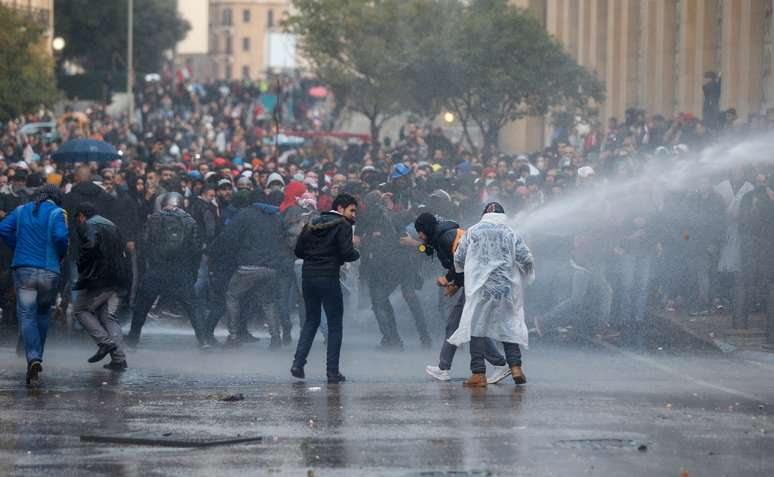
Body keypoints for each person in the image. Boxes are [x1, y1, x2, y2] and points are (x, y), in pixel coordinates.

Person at [414, 212, 511, 384]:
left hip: (478, 282)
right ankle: (443, 368)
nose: (420, 236)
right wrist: (456, 284)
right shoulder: (442, 235)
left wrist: (448, 278)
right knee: (456, 323)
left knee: (470, 326)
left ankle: (500, 364)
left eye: (420, 231)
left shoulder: (445, 237)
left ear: (427, 228)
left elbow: (464, 262)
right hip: (472, 282)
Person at [448, 202, 533, 387]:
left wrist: (463, 269)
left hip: (480, 289)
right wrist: (527, 275)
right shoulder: (511, 233)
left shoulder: (472, 231)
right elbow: (525, 258)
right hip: (506, 289)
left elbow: (459, 257)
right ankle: (516, 366)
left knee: (476, 328)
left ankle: (478, 373)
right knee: (509, 325)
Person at [0, 185, 69, 386]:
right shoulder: (57, 213)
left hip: (24, 273)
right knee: (43, 313)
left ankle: (33, 358)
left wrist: (17, 246)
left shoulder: (21, 210)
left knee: (27, 314)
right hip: (49, 273)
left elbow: (3, 229)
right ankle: (38, 356)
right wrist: (61, 254)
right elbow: (60, 237)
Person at [291, 193, 360, 384]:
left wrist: (315, 255)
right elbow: (347, 254)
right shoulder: (343, 225)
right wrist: (356, 252)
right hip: (328, 277)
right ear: (340, 209)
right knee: (335, 325)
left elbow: (298, 251)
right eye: (352, 210)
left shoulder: (312, 222)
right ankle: (332, 372)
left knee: (311, 321)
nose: (354, 215)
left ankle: (297, 364)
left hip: (308, 277)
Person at [127, 192, 206, 347]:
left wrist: (146, 270)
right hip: (181, 271)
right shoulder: (190, 221)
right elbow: (195, 251)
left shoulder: (154, 219)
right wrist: (193, 273)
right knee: (193, 306)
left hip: (157, 269)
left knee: (142, 306)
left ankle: (132, 339)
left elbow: (143, 245)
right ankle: (203, 340)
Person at [72, 203, 131, 371]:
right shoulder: (111, 225)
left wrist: (81, 265)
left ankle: (105, 343)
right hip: (119, 278)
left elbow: (90, 247)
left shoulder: (89, 225)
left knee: (80, 309)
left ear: (82, 215)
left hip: (100, 278)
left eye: (77, 218)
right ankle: (119, 359)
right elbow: (123, 251)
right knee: (109, 318)